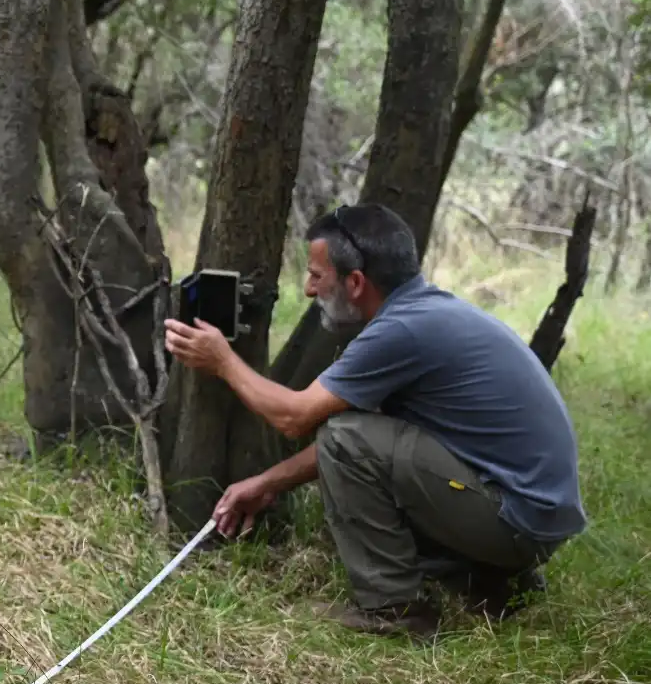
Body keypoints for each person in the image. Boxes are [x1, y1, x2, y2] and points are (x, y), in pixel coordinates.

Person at [165, 204, 586, 639]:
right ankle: (491, 582)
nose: (308, 290)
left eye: (316, 275)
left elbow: (296, 418)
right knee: (352, 434)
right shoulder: (426, 312)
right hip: (532, 517)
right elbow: (378, 438)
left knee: (344, 435)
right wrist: (268, 483)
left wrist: (222, 361)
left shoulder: (401, 330)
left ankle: (395, 608)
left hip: (516, 519)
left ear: (356, 282)